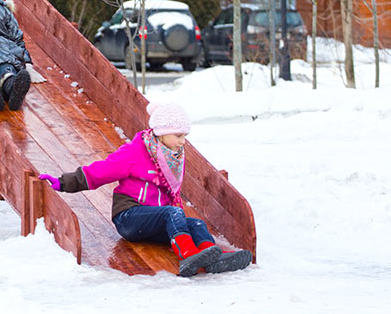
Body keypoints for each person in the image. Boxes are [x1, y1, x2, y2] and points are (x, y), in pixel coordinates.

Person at [38, 102, 252, 277]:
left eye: (184, 136)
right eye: (178, 136)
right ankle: (188, 255)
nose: (182, 142)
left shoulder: (173, 158)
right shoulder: (136, 152)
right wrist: (63, 183)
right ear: (162, 133)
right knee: (174, 212)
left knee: (195, 223)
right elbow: (101, 171)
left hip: (155, 219)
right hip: (129, 216)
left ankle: (210, 255)